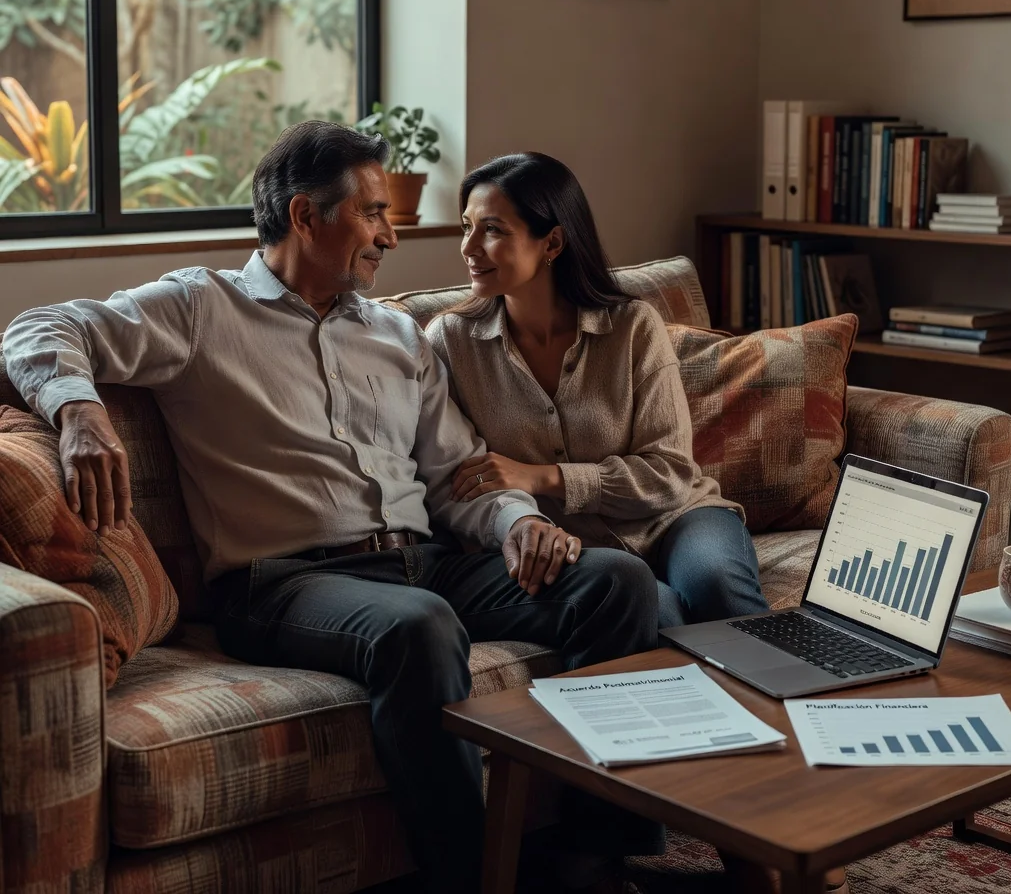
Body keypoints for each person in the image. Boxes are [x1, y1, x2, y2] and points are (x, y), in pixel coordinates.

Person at [2, 124, 662, 894]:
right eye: (372, 212)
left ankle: (589, 858)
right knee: (418, 625)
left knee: (616, 582)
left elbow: (457, 476)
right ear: (305, 216)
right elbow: (37, 327)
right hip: (281, 584)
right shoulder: (200, 307)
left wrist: (521, 524)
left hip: (424, 564)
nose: (390, 234)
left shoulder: (399, 336)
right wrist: (80, 412)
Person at [425, 151, 770, 630]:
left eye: (493, 230)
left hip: (677, 518)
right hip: (574, 549)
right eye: (467, 227)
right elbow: (459, 480)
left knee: (716, 583)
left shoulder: (633, 327)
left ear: (552, 242)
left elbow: (670, 474)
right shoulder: (450, 342)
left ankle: (792, 680)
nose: (469, 247)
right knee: (656, 610)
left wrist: (544, 478)